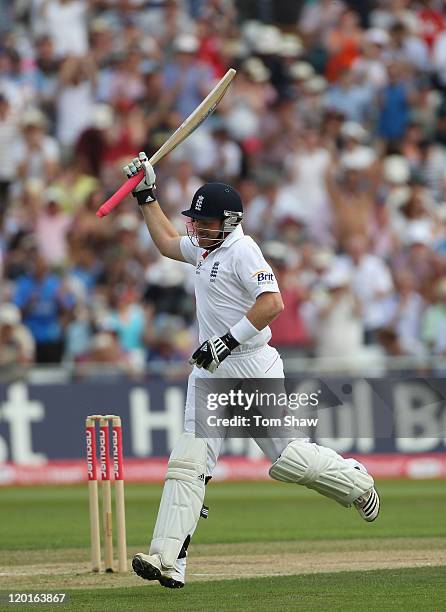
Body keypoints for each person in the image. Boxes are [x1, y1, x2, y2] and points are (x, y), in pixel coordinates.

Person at [121, 153, 380, 589]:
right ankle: (167, 560)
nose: (196, 229)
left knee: (289, 460)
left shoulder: (243, 250)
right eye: (196, 222)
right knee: (188, 462)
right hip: (210, 371)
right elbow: (166, 241)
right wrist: (146, 194)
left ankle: (357, 482)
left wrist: (224, 341)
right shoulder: (205, 248)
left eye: (205, 223)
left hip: (251, 365)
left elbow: (272, 303)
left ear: (230, 221)